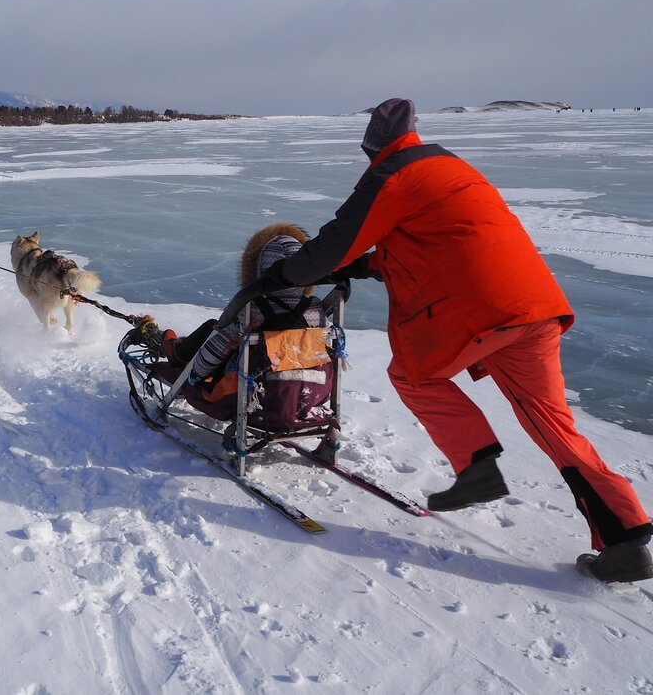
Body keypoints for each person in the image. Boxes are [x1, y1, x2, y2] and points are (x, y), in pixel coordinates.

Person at [239, 97, 651, 583]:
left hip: (481, 313)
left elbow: (334, 241)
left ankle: (477, 465)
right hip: (536, 308)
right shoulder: (453, 169)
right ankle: (624, 536)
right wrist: (363, 267)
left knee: (412, 376)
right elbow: (438, 244)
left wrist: (282, 275)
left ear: (372, 145)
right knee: (553, 423)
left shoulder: (391, 174)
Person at [154, 223, 334, 433]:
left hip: (256, 397)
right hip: (306, 396)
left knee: (216, 333)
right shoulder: (315, 310)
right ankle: (179, 351)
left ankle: (178, 354)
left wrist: (195, 374)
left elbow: (219, 347)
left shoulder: (254, 310)